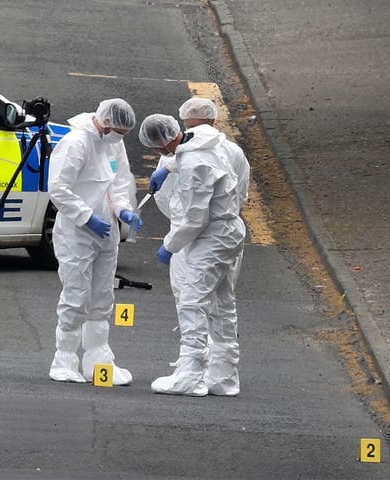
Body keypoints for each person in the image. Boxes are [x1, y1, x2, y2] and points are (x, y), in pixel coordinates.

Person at [139, 111, 246, 396]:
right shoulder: (202, 144)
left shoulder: (193, 164)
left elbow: (194, 219)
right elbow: (190, 158)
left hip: (212, 236)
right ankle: (224, 377)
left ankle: (189, 375)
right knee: (222, 304)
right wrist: (169, 168)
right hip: (227, 232)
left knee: (192, 302)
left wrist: (169, 246)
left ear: (160, 146)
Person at [47, 98, 142, 385]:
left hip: (107, 230)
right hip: (78, 232)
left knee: (102, 296)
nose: (120, 138)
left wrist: (123, 209)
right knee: (77, 295)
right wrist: (86, 217)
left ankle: (98, 358)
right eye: (119, 132)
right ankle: (64, 358)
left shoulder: (114, 142)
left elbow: (120, 182)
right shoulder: (76, 143)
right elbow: (58, 189)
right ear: (106, 122)